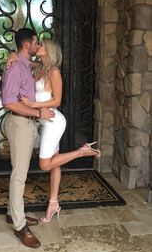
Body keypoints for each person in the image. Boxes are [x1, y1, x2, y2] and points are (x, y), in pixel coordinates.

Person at [8, 38, 101, 223]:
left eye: (41, 44)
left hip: (54, 122)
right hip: (45, 121)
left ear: (49, 49)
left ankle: (82, 151)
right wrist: (13, 56)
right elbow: (24, 60)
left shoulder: (54, 71)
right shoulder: (39, 68)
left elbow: (57, 100)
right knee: (55, 163)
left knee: (45, 164)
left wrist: (34, 104)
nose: (38, 46)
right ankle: (53, 203)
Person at [1, 28, 55, 249]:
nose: (37, 45)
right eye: (36, 42)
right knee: (19, 176)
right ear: (27, 45)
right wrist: (38, 113)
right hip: (20, 122)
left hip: (26, 123)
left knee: (19, 172)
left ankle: (11, 213)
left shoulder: (23, 63)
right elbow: (8, 101)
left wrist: (13, 54)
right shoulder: (15, 68)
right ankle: (19, 225)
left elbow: (34, 66)